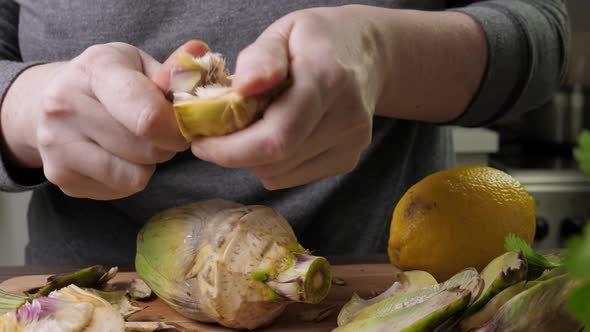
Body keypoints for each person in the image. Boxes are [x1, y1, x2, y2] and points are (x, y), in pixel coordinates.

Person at [0, 1, 569, 265]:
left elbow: (544, 38)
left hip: (386, 293)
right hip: (97, 300)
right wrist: (25, 102)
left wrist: (384, 53)